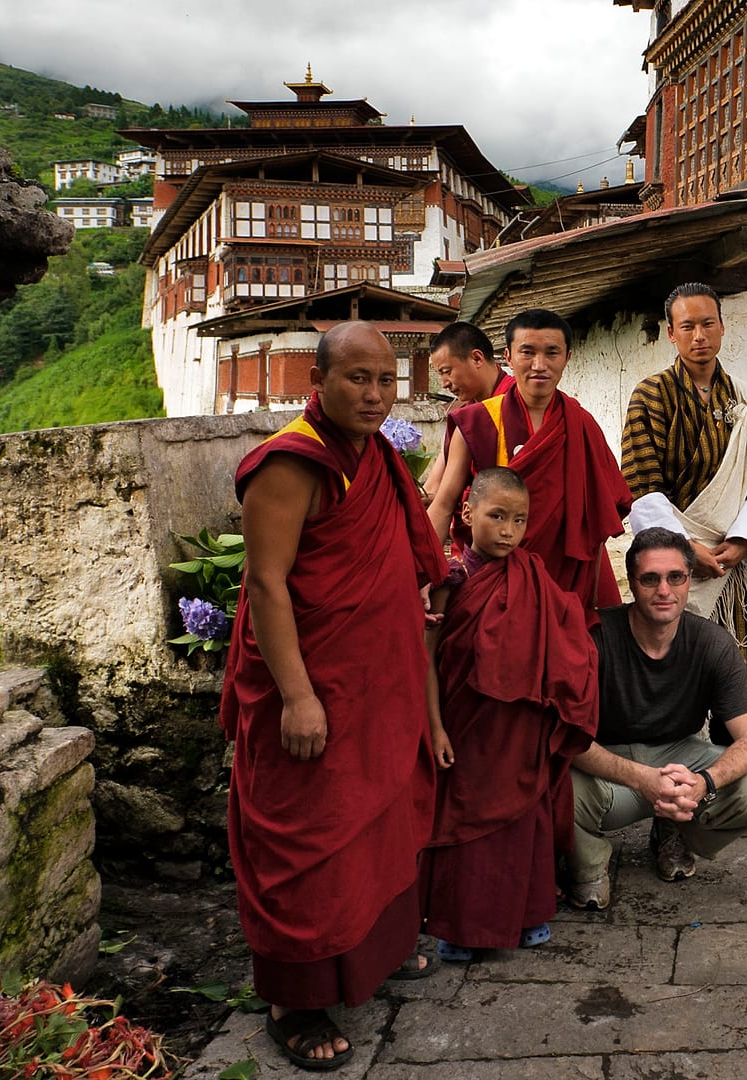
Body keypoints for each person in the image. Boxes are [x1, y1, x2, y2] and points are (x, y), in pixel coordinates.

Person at [218, 321, 448, 1069]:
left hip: (377, 685)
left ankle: (370, 956)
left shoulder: (374, 454)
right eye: (357, 378)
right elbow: (267, 582)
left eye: (386, 380)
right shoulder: (288, 465)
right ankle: (295, 998)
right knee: (309, 839)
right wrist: (296, 696)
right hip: (316, 686)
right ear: (317, 382)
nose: (376, 394)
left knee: (378, 825)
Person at [421, 467, 599, 959]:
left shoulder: (532, 575)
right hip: (467, 725)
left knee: (525, 820)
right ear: (466, 512)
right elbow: (428, 657)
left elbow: (567, 641)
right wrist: (434, 726)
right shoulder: (449, 580)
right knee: (466, 822)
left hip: (522, 726)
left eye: (518, 520)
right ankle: (461, 929)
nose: (507, 531)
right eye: (496, 516)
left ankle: (526, 916)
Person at [567, 527, 747, 910]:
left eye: (675, 578)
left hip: (681, 758)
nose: (664, 591)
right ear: (632, 582)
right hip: (609, 765)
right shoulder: (596, 637)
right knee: (551, 787)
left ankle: (678, 831)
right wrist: (642, 779)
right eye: (650, 579)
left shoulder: (711, 642)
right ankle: (589, 864)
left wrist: (704, 782)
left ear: (688, 580)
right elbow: (568, 738)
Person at [620, 283, 747, 748]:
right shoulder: (650, 396)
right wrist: (688, 551)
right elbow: (641, 483)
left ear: (723, 328)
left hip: (731, 563)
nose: (699, 336)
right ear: (670, 333)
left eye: (708, 323)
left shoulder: (743, 400)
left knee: (735, 683)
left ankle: (731, 789)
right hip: (674, 564)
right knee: (676, 676)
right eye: (687, 326)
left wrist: (740, 546)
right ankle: (672, 800)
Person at [427, 308, 630, 620]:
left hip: (566, 578)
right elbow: (442, 504)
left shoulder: (581, 424)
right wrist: (422, 573)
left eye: (552, 353)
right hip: (495, 582)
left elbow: (600, 512)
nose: (539, 365)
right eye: (527, 352)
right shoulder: (479, 421)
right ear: (508, 356)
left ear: (567, 357)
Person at [423, 321, 516, 500]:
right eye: (440, 375)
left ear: (477, 359)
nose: (444, 384)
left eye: (447, 371)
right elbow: (434, 484)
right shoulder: (465, 418)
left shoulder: (516, 402)